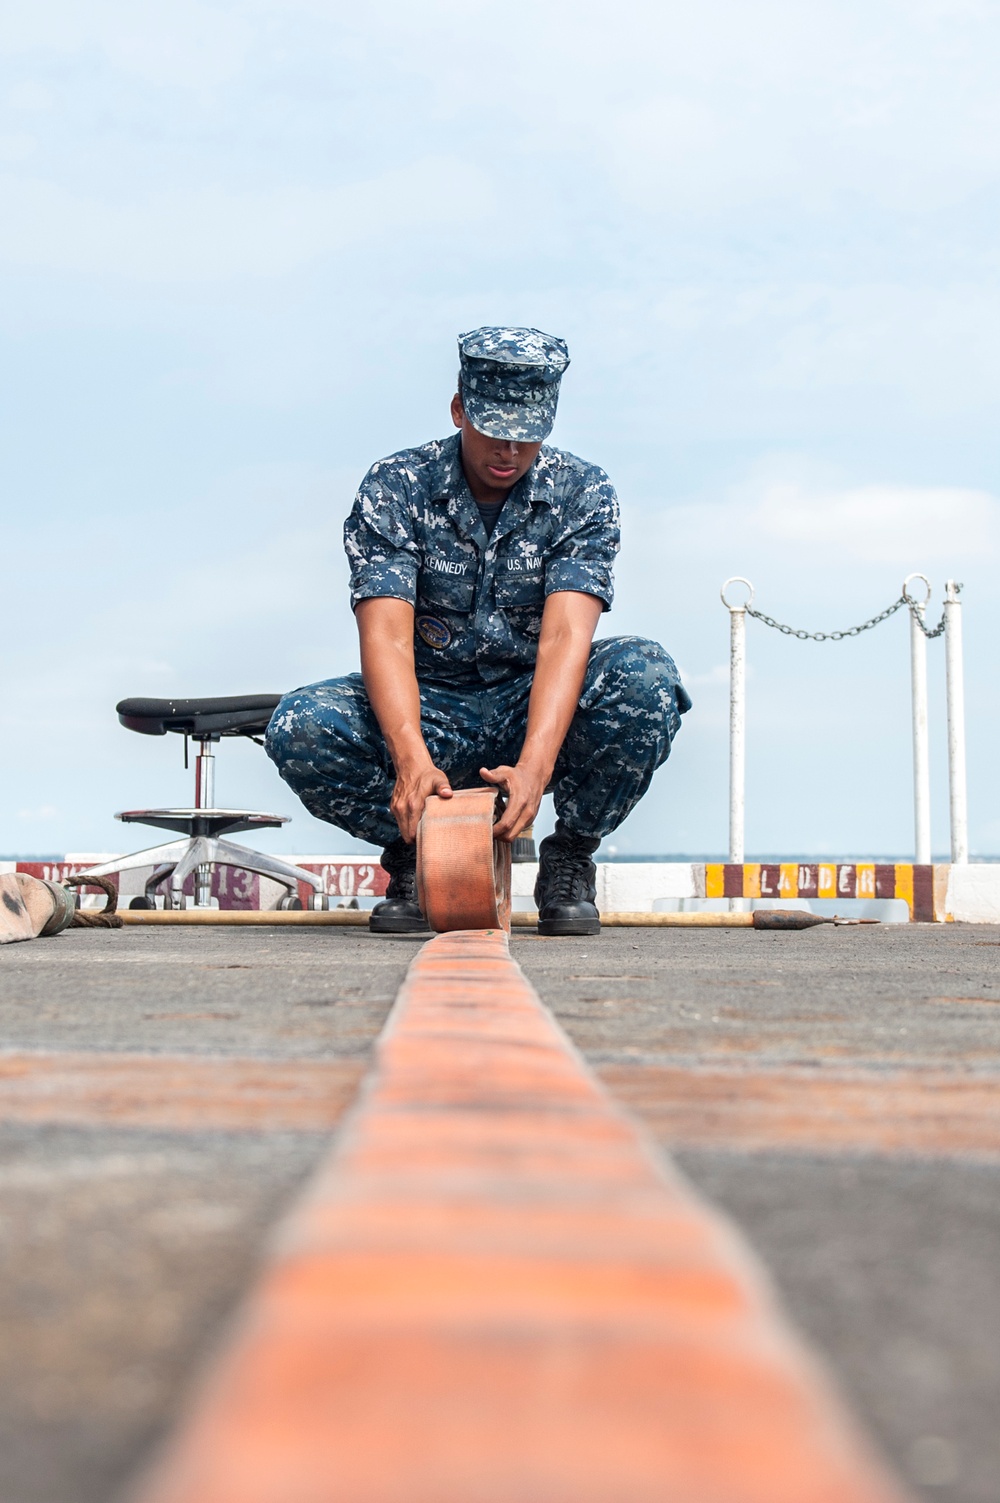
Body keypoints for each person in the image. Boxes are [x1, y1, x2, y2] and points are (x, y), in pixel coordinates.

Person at [266, 326, 691, 935]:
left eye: (527, 437)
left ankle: (569, 856)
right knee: (302, 724)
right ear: (459, 409)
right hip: (432, 703)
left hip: (531, 703)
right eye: (493, 429)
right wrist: (411, 760)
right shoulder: (397, 486)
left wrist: (536, 770)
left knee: (644, 676)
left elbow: (565, 638)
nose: (509, 452)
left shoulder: (582, 493)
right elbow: (385, 635)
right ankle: (418, 853)